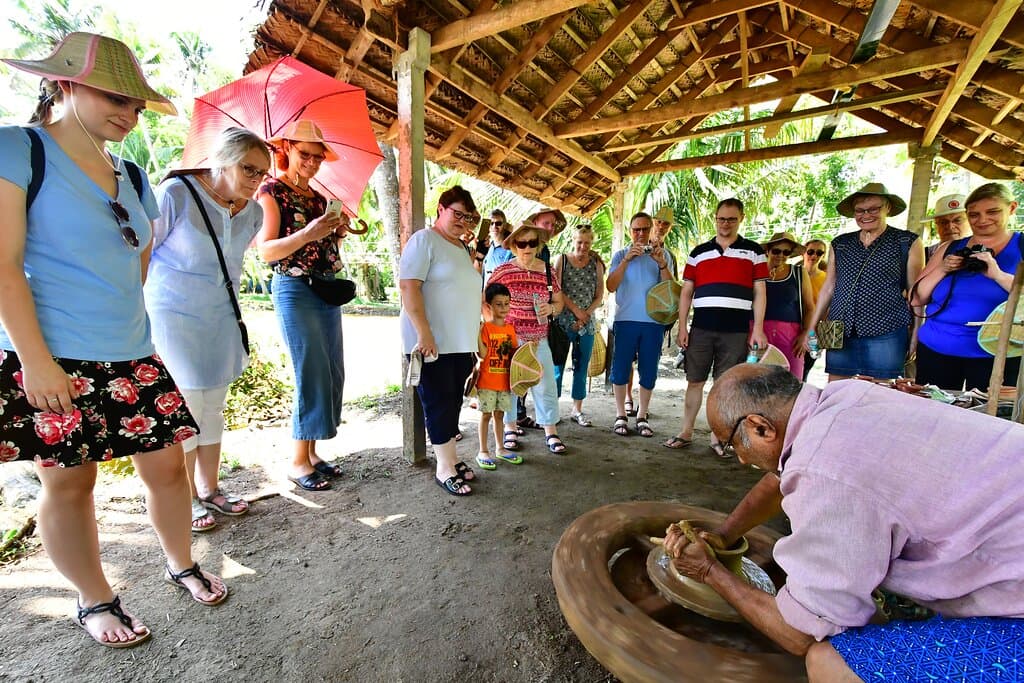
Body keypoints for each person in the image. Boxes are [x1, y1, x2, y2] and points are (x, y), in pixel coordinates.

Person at [0, 32, 227, 649]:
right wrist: (35, 362)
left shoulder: (131, 173)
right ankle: (94, 598)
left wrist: (121, 326)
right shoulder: (19, 149)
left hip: (132, 350)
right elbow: (4, 266)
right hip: (52, 354)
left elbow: (138, 260)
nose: (129, 114)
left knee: (169, 469)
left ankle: (181, 563)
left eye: (136, 105)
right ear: (64, 84)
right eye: (115, 98)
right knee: (70, 484)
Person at [664, 363, 1024, 682]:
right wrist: (725, 534)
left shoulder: (826, 476)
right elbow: (783, 477)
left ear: (760, 427)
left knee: (830, 661)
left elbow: (801, 634)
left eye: (732, 444)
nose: (741, 460)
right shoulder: (845, 397)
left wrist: (710, 572)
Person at [146, 127, 269, 532]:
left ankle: (209, 488)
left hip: (221, 316)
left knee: (214, 404)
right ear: (222, 160)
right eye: (248, 169)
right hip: (173, 314)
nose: (256, 179)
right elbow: (143, 254)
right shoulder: (176, 194)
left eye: (262, 173)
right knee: (188, 406)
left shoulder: (254, 213)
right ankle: (181, 498)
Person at [256, 120, 349, 492]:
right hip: (294, 288)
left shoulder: (319, 200)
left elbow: (324, 251)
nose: (311, 162)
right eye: (304, 154)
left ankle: (311, 454)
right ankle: (297, 462)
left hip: (325, 287)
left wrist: (336, 233)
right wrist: (309, 232)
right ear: (287, 150)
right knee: (310, 370)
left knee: (331, 370)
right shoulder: (271, 191)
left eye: (317, 156)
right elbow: (266, 251)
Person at [664, 198, 768, 454]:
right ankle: (686, 431)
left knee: (725, 386)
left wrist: (758, 329)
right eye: (721, 218)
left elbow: (760, 292)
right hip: (701, 328)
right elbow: (686, 292)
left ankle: (718, 436)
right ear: (715, 218)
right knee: (694, 380)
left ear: (741, 219)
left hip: (736, 331)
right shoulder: (699, 252)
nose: (725, 224)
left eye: (731, 219)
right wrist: (683, 326)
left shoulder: (754, 251)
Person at [399, 185, 482, 495]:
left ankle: (452, 458)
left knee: (452, 401)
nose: (462, 221)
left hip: (460, 342)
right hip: (432, 341)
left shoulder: (461, 248)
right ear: (441, 209)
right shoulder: (424, 240)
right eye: (457, 213)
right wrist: (423, 332)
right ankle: (444, 467)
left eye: (468, 217)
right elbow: (409, 287)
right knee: (437, 401)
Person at [801, 183, 924, 381]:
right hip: (838, 327)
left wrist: (917, 329)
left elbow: (915, 292)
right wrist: (812, 326)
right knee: (836, 388)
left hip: (887, 327)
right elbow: (829, 287)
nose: (866, 215)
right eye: (860, 210)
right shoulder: (840, 243)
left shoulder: (906, 241)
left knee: (880, 389)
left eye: (874, 209)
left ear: (887, 208)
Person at [911, 183, 1022, 391]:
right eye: (974, 215)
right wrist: (943, 269)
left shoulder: (1020, 246)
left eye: (993, 212)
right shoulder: (950, 247)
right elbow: (917, 298)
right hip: (937, 348)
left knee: (987, 410)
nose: (982, 220)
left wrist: (998, 275)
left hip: (998, 352)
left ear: (1012, 208)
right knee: (932, 407)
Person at [488, 222, 568, 454]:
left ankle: (550, 431)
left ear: (538, 245)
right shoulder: (503, 271)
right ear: (514, 246)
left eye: (532, 243)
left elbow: (559, 302)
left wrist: (551, 309)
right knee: (509, 385)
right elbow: (486, 300)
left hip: (538, 339)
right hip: (510, 340)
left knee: (546, 384)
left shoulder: (547, 271)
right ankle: (510, 428)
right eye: (522, 243)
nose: (527, 248)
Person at [607, 212, 673, 438]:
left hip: (654, 322)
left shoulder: (663, 255)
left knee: (649, 370)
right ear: (630, 231)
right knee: (620, 369)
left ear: (651, 229)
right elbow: (610, 286)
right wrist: (627, 260)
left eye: (645, 229)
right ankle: (620, 415)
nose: (641, 234)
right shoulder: (620, 255)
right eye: (637, 230)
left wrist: (662, 264)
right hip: (625, 320)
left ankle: (642, 415)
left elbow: (670, 290)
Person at [552, 225, 605, 427]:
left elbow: (599, 295)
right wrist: (576, 311)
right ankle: (552, 409)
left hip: (586, 324)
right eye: (579, 242)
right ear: (573, 240)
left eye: (587, 243)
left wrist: (585, 315)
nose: (583, 246)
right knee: (557, 367)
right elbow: (557, 290)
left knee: (582, 367)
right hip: (563, 322)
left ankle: (577, 409)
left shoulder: (596, 263)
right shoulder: (562, 260)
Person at [474, 283, 523, 469]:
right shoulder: (485, 328)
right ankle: (483, 451)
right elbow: (483, 354)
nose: (503, 308)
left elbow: (515, 355)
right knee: (486, 415)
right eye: (498, 304)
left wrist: (529, 350)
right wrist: (477, 333)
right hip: (487, 381)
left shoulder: (510, 329)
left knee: (500, 415)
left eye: (506, 304)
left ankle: (500, 448)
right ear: (489, 306)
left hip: (504, 382)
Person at [761, 232, 814, 377]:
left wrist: (805, 334)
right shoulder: (757, 271)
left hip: (791, 336)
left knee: (793, 379)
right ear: (767, 251)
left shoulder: (798, 273)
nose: (781, 255)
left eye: (786, 252)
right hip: (759, 333)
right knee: (758, 380)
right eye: (776, 251)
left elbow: (810, 307)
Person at [800, 239, 828, 381]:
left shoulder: (827, 278)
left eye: (819, 253)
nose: (814, 256)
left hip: (814, 331)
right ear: (803, 253)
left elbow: (827, 309)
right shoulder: (795, 274)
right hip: (794, 328)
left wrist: (823, 336)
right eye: (810, 252)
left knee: (806, 369)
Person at [922, 193, 969, 261]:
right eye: (943, 222)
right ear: (936, 225)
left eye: (957, 220)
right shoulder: (922, 256)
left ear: (970, 222)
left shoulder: (981, 253)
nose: (950, 226)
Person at [482, 209, 513, 282]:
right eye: (491, 223)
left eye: (498, 223)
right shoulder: (487, 248)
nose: (494, 226)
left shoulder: (510, 250)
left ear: (504, 225)